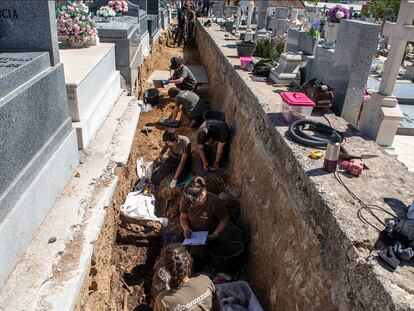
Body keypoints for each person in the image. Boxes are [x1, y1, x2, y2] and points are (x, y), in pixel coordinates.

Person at [154, 244, 215, 311]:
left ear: (166, 270)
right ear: (189, 263)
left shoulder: (163, 300)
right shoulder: (205, 280)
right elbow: (217, 305)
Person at [180, 176, 229, 241]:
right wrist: (186, 229)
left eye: (193, 203)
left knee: (196, 251)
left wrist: (216, 233)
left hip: (207, 234)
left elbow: (224, 219)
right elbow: (183, 218)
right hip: (191, 232)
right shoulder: (186, 200)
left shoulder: (214, 202)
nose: (190, 206)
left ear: (202, 195)